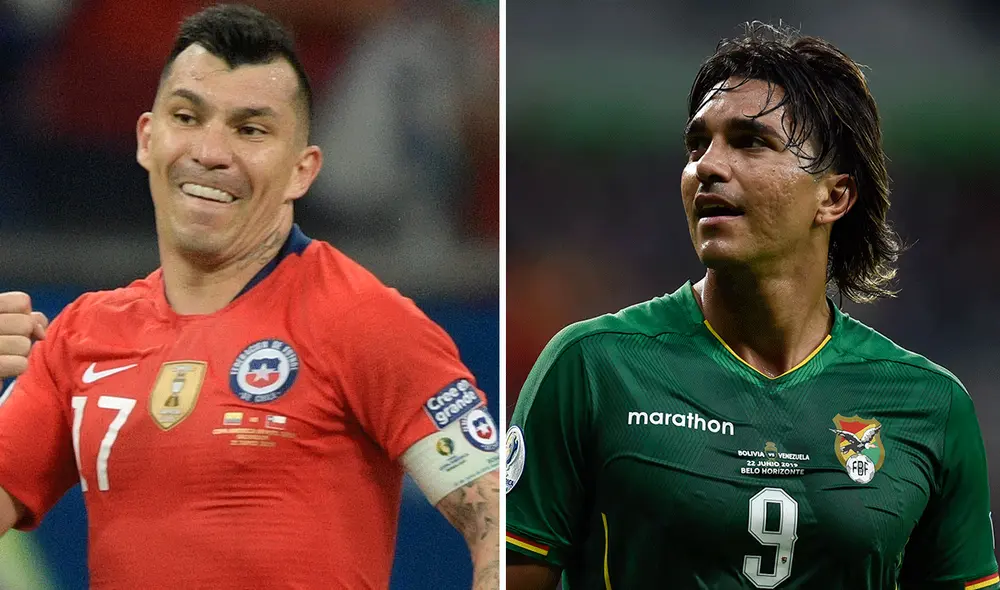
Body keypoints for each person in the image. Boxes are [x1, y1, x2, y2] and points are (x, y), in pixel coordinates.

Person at [0, 4, 499, 589]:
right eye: (187, 117)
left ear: (301, 170)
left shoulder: (362, 318)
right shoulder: (81, 336)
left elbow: (499, 517)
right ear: (147, 138)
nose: (211, 152)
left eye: (251, 129)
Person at [505, 22, 997, 590]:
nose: (706, 167)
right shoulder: (591, 368)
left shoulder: (930, 406)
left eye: (749, 142)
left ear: (834, 196)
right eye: (697, 144)